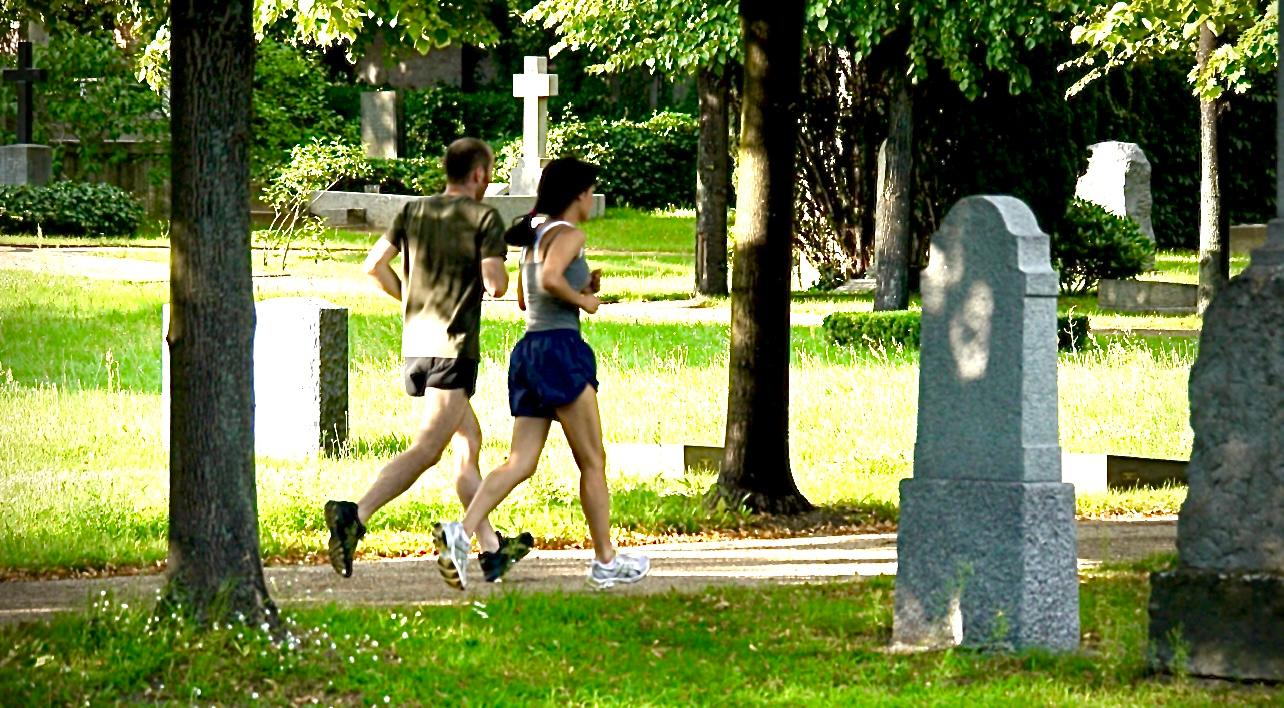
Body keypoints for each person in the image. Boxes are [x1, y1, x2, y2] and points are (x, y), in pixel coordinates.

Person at [432, 157, 650, 590]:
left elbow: (524, 299)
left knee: (520, 462)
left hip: (529, 352)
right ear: (578, 195)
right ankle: (606, 560)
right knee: (593, 460)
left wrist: (581, 286)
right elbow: (551, 280)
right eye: (589, 191)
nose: (591, 199)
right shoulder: (569, 234)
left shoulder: (536, 237)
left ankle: (462, 533)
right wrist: (584, 301)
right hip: (560, 351)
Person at [325, 137, 533, 584]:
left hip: (417, 346)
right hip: (451, 349)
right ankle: (353, 514)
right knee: (427, 450)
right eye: (490, 172)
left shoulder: (413, 211)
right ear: (478, 174)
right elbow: (495, 286)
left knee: (468, 443)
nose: (490, 179)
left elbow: (374, 266)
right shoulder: (483, 217)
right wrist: (509, 262)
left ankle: (493, 550)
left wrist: (409, 302)